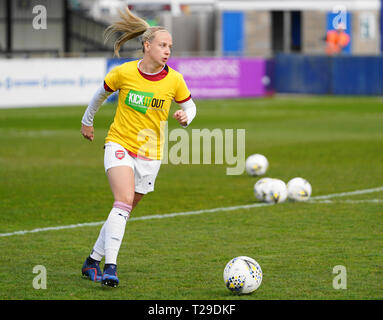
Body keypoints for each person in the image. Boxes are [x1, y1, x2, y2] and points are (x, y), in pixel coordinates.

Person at [80, 7, 197, 287]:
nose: (168, 50)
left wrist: (185, 117)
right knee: (121, 203)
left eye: (170, 46)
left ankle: (92, 262)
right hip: (119, 143)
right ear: (147, 46)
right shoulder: (124, 72)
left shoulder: (174, 79)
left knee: (124, 210)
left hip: (151, 154)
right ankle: (110, 268)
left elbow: (190, 106)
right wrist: (87, 122)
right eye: (162, 45)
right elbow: (99, 95)